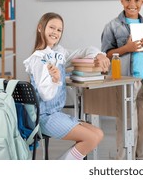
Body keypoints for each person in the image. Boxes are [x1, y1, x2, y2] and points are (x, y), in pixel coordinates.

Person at [23, 12, 110, 160]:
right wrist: (56, 80)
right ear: (40, 28)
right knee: (91, 138)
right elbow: (46, 95)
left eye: (59, 30)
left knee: (98, 134)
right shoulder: (38, 59)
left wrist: (99, 55)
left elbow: (86, 50)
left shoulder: (59, 53)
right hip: (44, 118)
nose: (55, 32)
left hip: (56, 114)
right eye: (52, 27)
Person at [101, 0, 143, 160]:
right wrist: (127, 47)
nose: (132, 4)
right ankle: (125, 161)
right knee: (126, 123)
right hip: (125, 81)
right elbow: (106, 55)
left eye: (136, 0)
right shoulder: (112, 26)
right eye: (127, 0)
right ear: (121, 1)